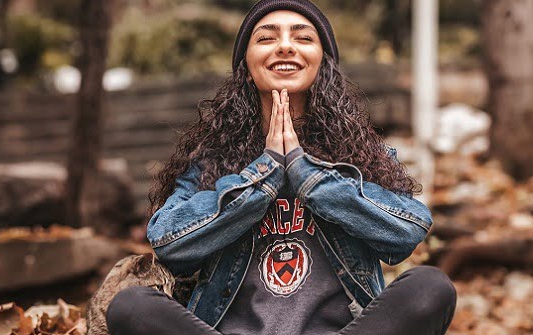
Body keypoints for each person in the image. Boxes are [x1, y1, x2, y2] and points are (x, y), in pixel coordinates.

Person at [106, 0, 457, 334]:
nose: (286, 47)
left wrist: (310, 177)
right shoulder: (210, 162)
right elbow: (168, 243)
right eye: (267, 38)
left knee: (430, 286)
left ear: (324, 64)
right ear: (246, 65)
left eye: (303, 37)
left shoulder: (363, 156)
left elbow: (407, 232)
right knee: (131, 306)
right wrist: (264, 174)